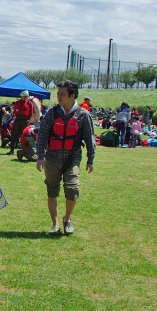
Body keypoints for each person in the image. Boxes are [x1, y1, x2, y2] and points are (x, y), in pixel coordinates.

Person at [35, 80, 95, 236]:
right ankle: (54, 224)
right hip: (52, 157)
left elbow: (89, 138)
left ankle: (67, 219)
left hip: (72, 158)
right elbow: (42, 136)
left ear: (72, 95)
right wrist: (40, 156)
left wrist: (91, 159)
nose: (59, 97)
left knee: (72, 189)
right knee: (52, 190)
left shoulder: (83, 114)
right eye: (58, 94)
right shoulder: (52, 113)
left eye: (62, 94)